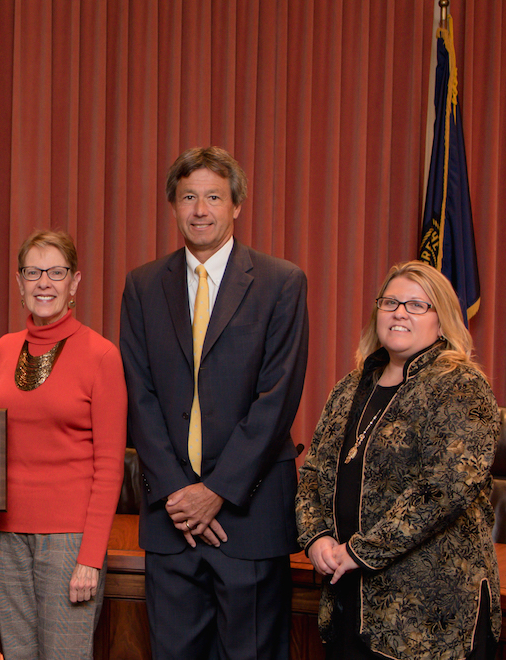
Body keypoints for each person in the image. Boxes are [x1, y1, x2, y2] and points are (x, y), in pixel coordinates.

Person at [119, 146, 309, 660]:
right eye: (188, 197)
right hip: (172, 519)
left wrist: (217, 491)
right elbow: (140, 396)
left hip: (249, 519)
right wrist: (184, 494)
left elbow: (278, 398)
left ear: (236, 206)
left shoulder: (281, 283)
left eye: (213, 197)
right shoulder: (142, 286)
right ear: (173, 206)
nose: (200, 210)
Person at [295, 261, 501, 659]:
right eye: (390, 302)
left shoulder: (460, 385)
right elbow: (314, 474)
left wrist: (360, 550)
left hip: (428, 614)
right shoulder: (351, 385)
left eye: (417, 305)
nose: (400, 312)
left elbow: (443, 489)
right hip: (347, 597)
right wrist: (316, 537)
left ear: (442, 322)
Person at [0, 230, 126, 659]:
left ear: (74, 282)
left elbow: (111, 464)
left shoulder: (101, 355)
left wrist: (91, 556)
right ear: (20, 283)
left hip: (69, 541)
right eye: (33, 272)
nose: (44, 282)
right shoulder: (3, 349)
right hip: (4, 538)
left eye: (56, 272)